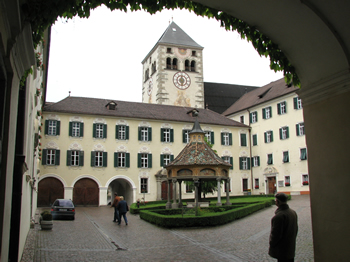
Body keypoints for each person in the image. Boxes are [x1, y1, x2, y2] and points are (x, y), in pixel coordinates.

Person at [269, 192, 298, 262]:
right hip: (290, 247)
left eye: (276, 200)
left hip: (282, 249)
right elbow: (296, 229)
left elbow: (276, 235)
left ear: (278, 202)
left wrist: (271, 244)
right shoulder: (293, 212)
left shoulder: (279, 216)